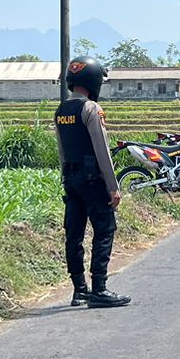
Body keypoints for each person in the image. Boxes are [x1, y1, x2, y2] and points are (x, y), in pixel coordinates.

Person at [55, 57, 131, 309]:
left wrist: (65, 177)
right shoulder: (91, 109)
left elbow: (62, 151)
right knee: (105, 229)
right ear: (94, 81)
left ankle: (79, 290)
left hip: (71, 178)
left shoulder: (62, 110)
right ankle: (99, 288)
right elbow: (102, 150)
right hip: (92, 178)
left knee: (74, 233)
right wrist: (113, 185)